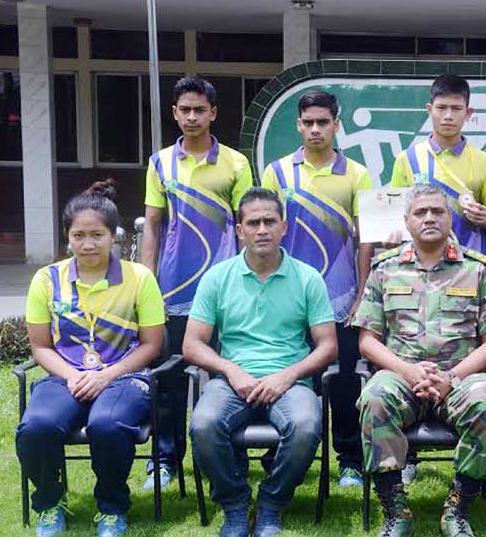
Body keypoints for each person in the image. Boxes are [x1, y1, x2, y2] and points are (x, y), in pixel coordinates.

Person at [353, 184, 486, 537]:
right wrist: (407, 371)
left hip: (460, 377)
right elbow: (367, 341)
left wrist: (450, 378)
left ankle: (458, 507)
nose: (429, 218)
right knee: (374, 398)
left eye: (437, 212)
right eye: (420, 212)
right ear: (406, 222)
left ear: (449, 218)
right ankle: (396, 510)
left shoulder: (477, 270)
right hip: (400, 374)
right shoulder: (385, 269)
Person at [185, 187, 337, 537]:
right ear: (240, 230)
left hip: (290, 382)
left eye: (270, 221)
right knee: (203, 424)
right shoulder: (218, 277)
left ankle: (271, 502)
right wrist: (231, 370)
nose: (262, 229)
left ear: (284, 226)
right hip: (232, 382)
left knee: (305, 425)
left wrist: (287, 377)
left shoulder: (307, 278)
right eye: (253, 222)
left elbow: (327, 346)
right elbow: (192, 344)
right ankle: (235, 504)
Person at [16, 181, 165, 537]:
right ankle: (50, 502)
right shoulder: (46, 280)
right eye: (78, 235)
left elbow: (152, 345)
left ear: (113, 235)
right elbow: (40, 347)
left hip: (124, 378)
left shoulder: (138, 278)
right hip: (64, 377)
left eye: (96, 234)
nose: (87, 244)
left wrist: (106, 375)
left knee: (107, 426)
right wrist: (72, 376)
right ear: (67, 236)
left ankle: (112, 507)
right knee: (35, 428)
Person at [140, 76, 253, 490]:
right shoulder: (160, 164)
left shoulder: (237, 164)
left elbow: (246, 226)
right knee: (168, 380)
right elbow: (153, 226)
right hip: (171, 292)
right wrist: (147, 282)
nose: (191, 117)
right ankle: (165, 460)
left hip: (224, 292)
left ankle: (231, 455)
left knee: (229, 377)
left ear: (213, 114)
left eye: (199, 110)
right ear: (174, 113)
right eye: (184, 109)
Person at [261, 89, 373, 488]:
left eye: (323, 122)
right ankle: (280, 452)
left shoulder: (357, 174)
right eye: (307, 122)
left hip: (341, 296)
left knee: (343, 380)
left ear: (336, 125)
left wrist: (361, 293)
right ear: (298, 124)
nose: (315, 129)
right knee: (289, 374)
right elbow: (266, 231)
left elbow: (366, 239)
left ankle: (349, 460)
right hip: (289, 298)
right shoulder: (277, 173)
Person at [389, 74, 486, 254]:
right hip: (417, 268)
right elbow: (395, 216)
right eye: (441, 108)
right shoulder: (407, 158)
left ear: (468, 113)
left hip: (469, 267)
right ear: (429, 109)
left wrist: (483, 218)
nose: (448, 116)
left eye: (456, 108)